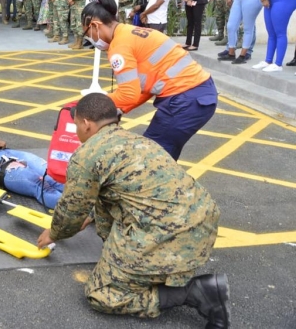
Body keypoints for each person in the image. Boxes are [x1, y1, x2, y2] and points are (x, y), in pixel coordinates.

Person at [36, 93, 228, 329]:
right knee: (111, 214)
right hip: (202, 224)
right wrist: (93, 215)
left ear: (86, 124)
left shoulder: (87, 154)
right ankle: (136, 271)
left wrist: (55, 233)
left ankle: (196, 293)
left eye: (76, 125)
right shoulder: (136, 140)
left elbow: (71, 210)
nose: (76, 131)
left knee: (100, 294)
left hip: (169, 236)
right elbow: (129, 190)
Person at [81, 0, 218, 160]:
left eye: (87, 33)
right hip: (199, 95)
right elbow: (142, 89)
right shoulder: (133, 32)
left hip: (184, 100)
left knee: (148, 160)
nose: (90, 38)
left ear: (95, 26)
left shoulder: (120, 46)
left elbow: (127, 94)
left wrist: (88, 108)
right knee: (160, 157)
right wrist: (118, 109)